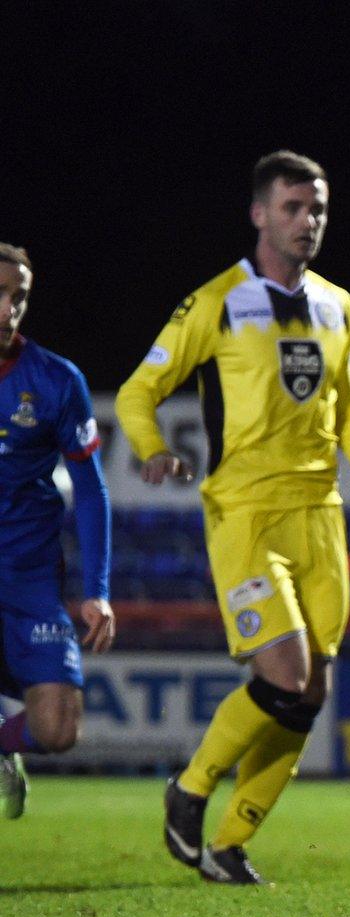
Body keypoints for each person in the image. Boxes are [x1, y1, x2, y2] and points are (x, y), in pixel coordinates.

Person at [116, 151, 350, 884]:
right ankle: (189, 789)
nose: (307, 222)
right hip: (245, 511)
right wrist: (152, 450)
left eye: (316, 209)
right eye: (292, 208)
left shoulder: (338, 304)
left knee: (311, 692)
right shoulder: (216, 302)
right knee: (285, 671)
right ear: (259, 215)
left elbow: (346, 407)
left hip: (320, 515)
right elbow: (135, 392)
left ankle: (231, 841)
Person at [0, 244, 115, 818]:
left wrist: (97, 589)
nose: (7, 309)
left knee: (58, 728)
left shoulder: (54, 379)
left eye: (17, 297)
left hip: (27, 575)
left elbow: (91, 490)